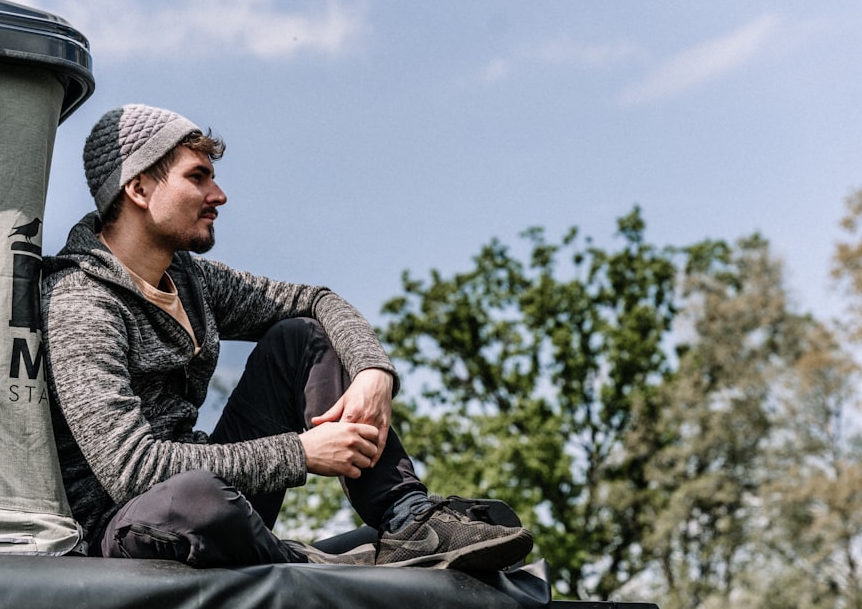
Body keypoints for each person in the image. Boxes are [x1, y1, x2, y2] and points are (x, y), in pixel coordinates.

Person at [41, 103, 534, 570]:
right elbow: (132, 470)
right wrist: (301, 452)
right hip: (132, 525)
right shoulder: (81, 301)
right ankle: (314, 563)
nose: (219, 195)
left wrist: (373, 371)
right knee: (197, 500)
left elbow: (316, 299)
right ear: (140, 187)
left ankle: (407, 520)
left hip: (218, 505)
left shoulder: (191, 281)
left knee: (302, 338)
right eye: (198, 176)